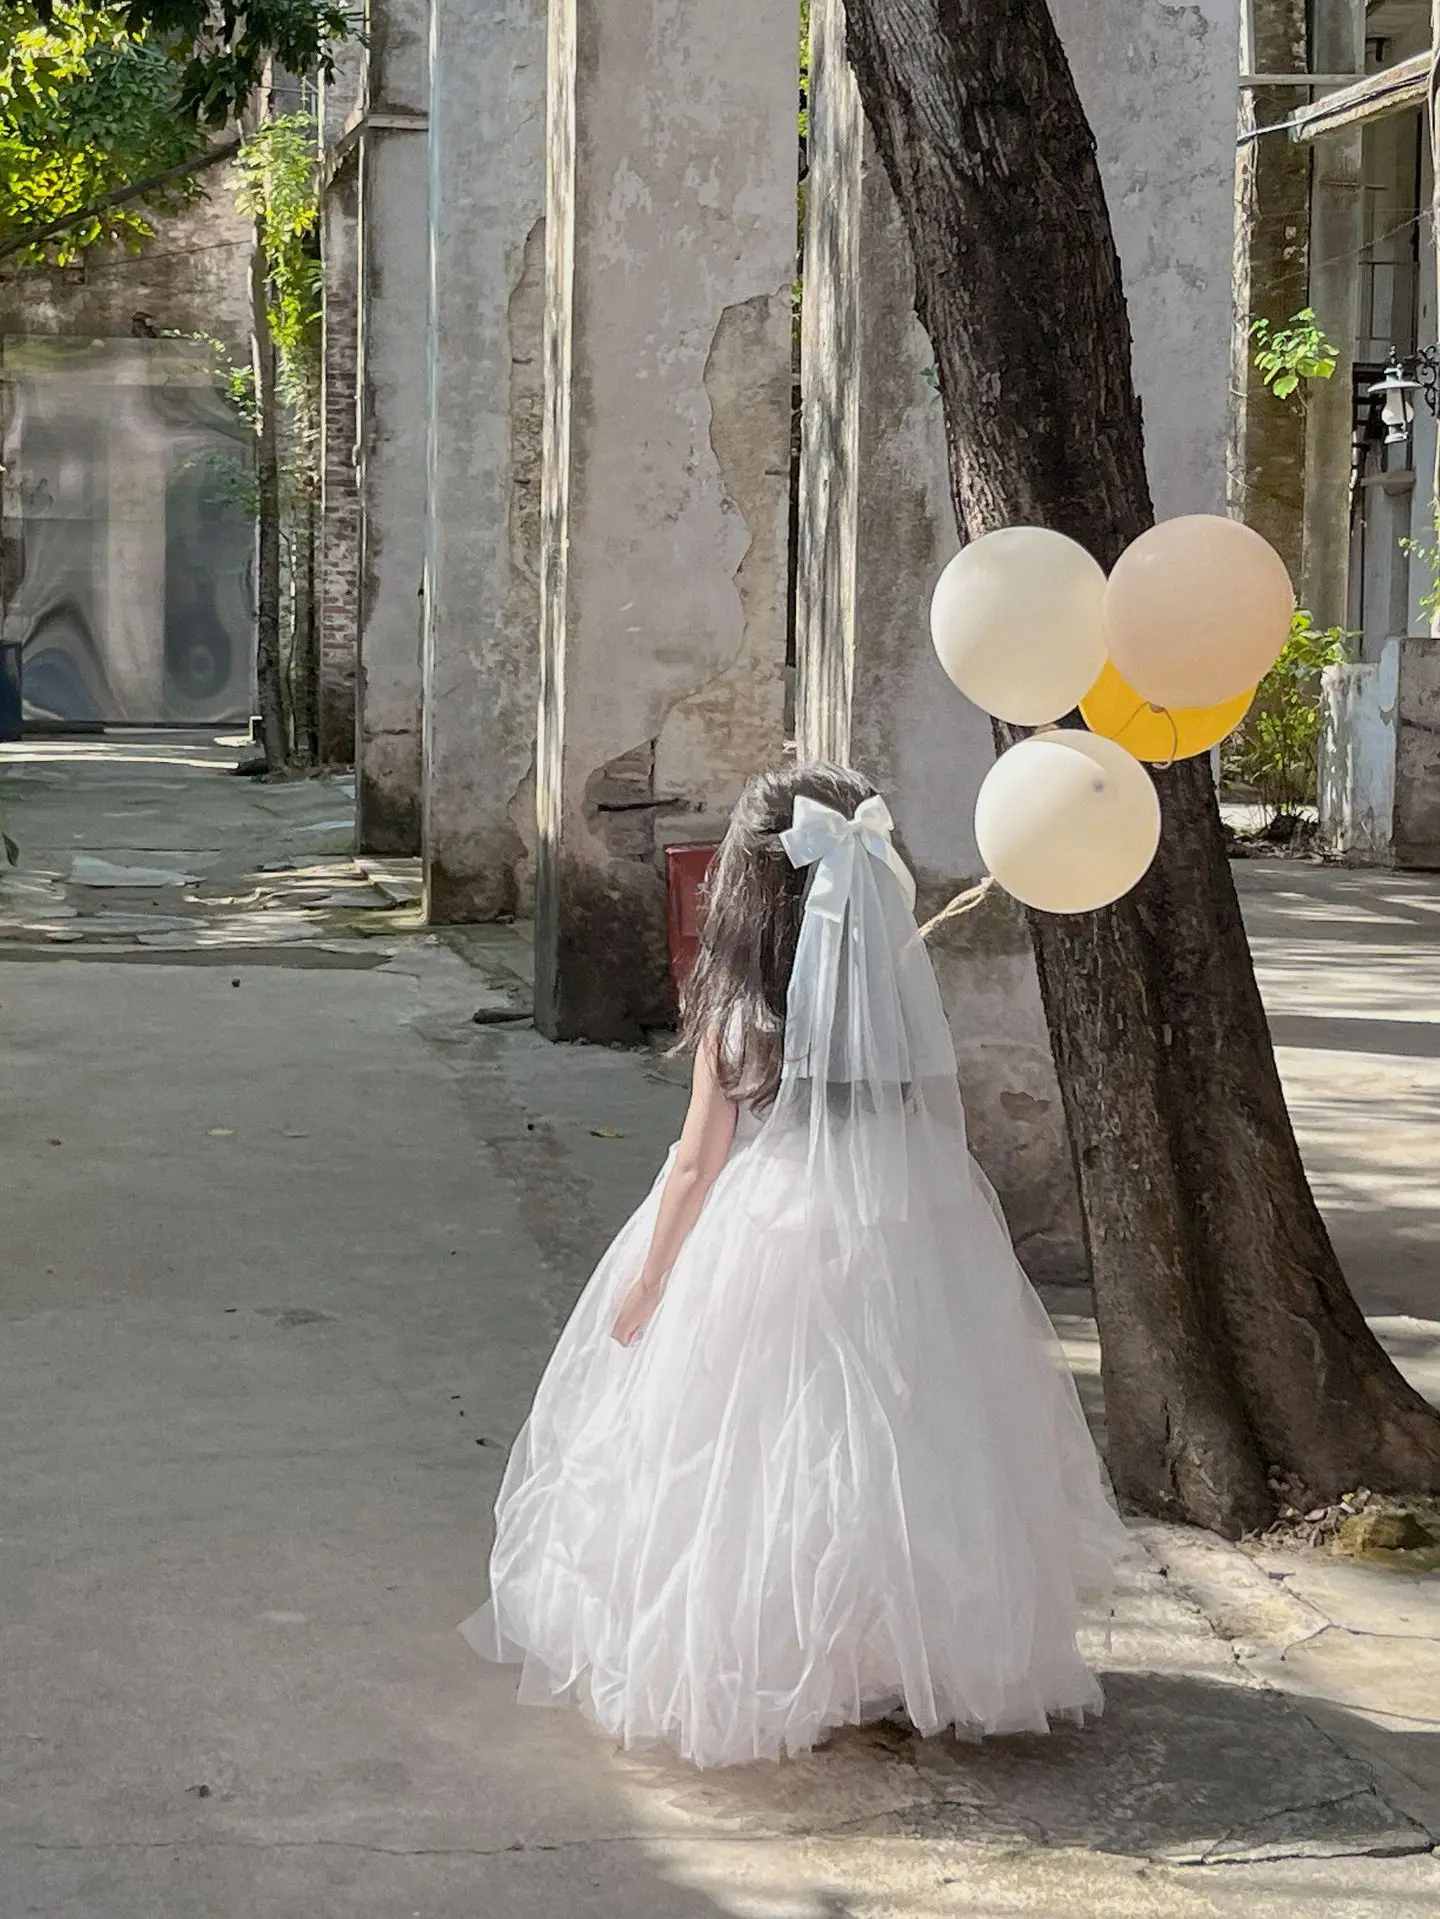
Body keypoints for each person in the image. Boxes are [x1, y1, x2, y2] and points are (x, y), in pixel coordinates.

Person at [462, 761, 1127, 1769]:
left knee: (766, 1452)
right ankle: (901, 1651)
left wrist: (648, 1280)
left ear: (747, 890)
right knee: (900, 1442)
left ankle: (789, 1663)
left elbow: (695, 1163)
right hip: (903, 1221)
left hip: (768, 1235)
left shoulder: (738, 1018)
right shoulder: (892, 1002)